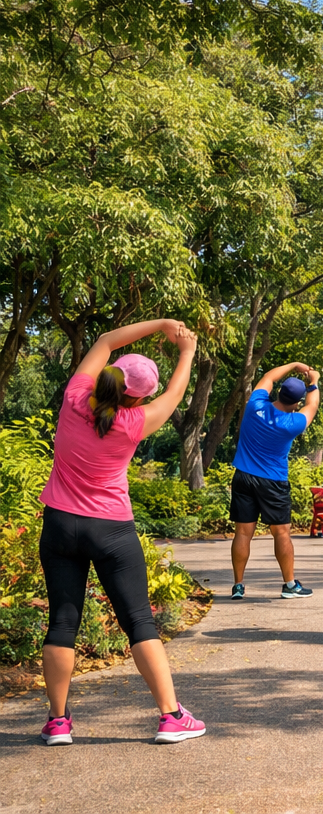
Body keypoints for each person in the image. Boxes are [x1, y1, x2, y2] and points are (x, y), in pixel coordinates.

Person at [37, 319, 207, 745]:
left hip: (60, 523)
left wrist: (162, 324)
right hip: (111, 528)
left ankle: (58, 722)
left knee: (62, 622)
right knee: (138, 622)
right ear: (140, 394)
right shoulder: (136, 421)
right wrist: (186, 351)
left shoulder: (75, 397)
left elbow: (107, 340)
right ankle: (171, 717)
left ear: (108, 377)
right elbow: (176, 393)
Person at [228, 361, 323, 600]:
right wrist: (314, 382)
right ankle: (289, 585)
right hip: (273, 481)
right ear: (296, 403)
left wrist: (293, 366)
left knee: (242, 533)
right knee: (281, 534)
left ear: (278, 393)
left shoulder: (255, 406)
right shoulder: (292, 423)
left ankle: (238, 586)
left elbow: (268, 377)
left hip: (243, 476)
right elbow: (313, 404)